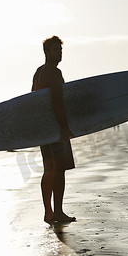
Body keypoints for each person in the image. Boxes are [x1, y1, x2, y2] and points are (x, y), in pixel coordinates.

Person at [32, 36, 76, 224]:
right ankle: (58, 212)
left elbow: (34, 100)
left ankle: (48, 212)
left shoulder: (38, 72)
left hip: (43, 128)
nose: (59, 53)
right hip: (56, 128)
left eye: (60, 50)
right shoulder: (55, 73)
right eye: (56, 50)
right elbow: (58, 102)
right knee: (59, 169)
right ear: (47, 52)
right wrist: (64, 127)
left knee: (49, 169)